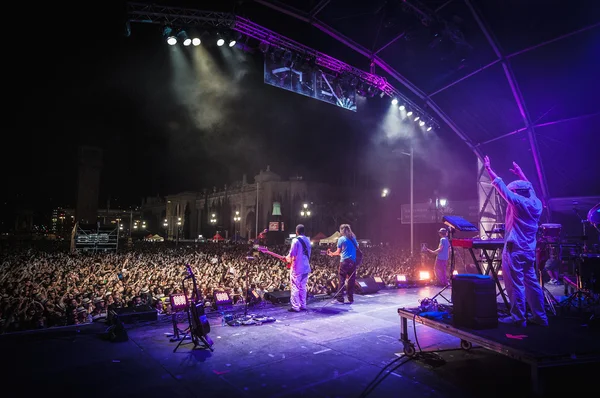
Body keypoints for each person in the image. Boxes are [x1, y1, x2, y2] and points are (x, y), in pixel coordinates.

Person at [484, 156, 548, 327]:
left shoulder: (518, 202)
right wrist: (521, 174)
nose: (511, 194)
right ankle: (540, 317)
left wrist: (489, 169)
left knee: (516, 284)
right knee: (532, 283)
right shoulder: (536, 203)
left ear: (517, 194)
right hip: (529, 249)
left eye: (514, 191)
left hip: (515, 249)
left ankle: (519, 318)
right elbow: (530, 187)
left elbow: (500, 187)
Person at [327, 224, 358, 304]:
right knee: (351, 280)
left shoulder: (341, 239)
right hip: (353, 262)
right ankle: (350, 298)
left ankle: (340, 298)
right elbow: (357, 247)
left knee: (342, 279)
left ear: (341, 230)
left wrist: (332, 254)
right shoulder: (353, 238)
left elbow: (338, 252)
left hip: (344, 262)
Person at [285, 224, 312, 312]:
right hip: (306, 266)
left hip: (297, 267)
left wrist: (287, 258)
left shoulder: (295, 240)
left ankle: (296, 306)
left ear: (296, 231)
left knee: (295, 286)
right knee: (303, 286)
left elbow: (292, 253)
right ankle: (303, 305)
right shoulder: (308, 240)